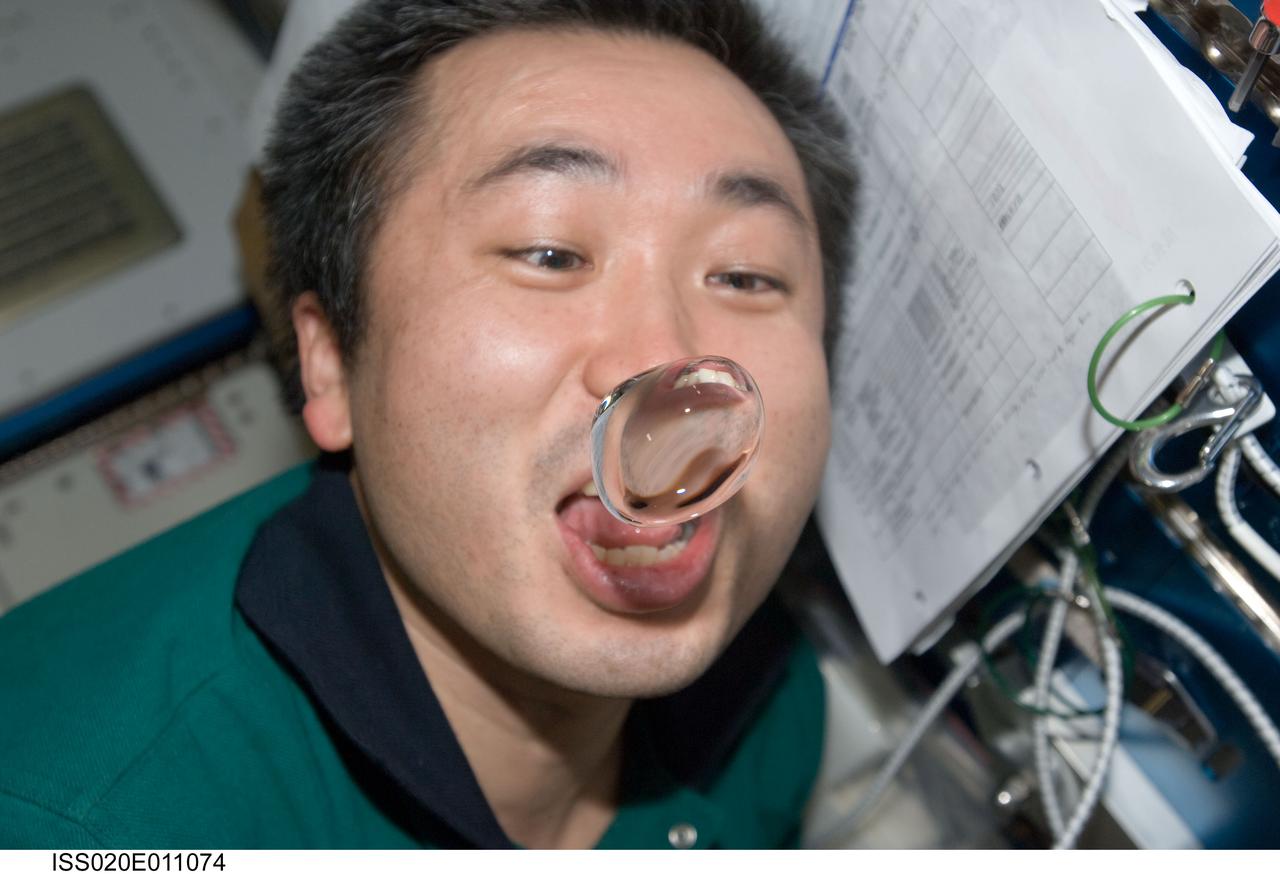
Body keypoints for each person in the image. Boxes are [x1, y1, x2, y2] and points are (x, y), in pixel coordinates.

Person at [0, 0, 856, 849]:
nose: (670, 360)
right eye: (551, 254)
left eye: (746, 276)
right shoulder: (73, 820)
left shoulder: (770, 705)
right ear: (329, 364)